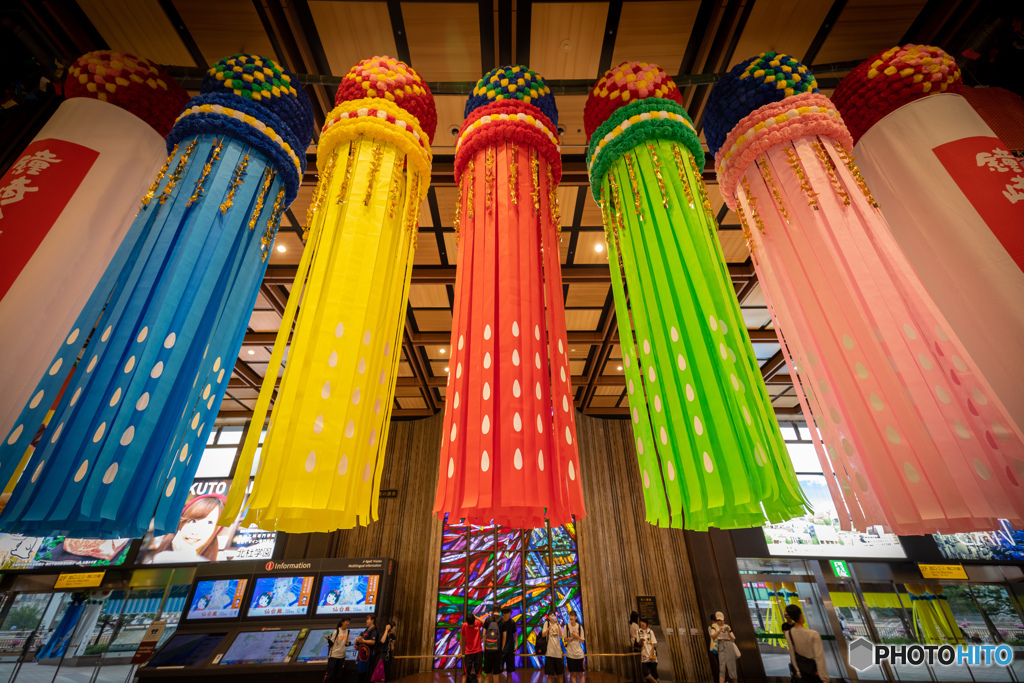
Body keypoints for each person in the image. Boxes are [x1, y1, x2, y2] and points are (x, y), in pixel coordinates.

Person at [143, 494, 225, 563]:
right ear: (180, 524)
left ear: (216, 530)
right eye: (192, 521)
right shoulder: (157, 561)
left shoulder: (217, 570)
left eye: (209, 523)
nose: (196, 531)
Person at [784, 604, 829, 683]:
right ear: (801, 616)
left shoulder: (788, 634)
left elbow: (792, 655)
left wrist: (798, 673)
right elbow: (819, 657)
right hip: (814, 673)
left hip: (801, 674)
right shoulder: (813, 634)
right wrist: (824, 678)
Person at [710, 612, 737, 683]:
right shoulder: (713, 626)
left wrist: (728, 632)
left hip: (729, 645)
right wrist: (719, 631)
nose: (721, 621)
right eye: (719, 620)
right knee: (722, 667)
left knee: (732, 666)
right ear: (716, 620)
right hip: (720, 645)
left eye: (722, 620)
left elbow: (733, 639)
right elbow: (713, 637)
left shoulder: (727, 626)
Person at [325, 617, 351, 683]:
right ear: (342, 622)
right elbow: (331, 642)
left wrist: (348, 644)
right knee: (329, 674)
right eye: (346, 621)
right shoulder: (337, 631)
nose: (348, 623)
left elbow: (347, 642)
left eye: (348, 621)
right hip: (333, 656)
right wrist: (328, 638)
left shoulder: (348, 632)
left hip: (342, 656)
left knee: (339, 676)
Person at [355, 615, 379, 683]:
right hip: (361, 653)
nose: (366, 621)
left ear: (372, 620)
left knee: (364, 672)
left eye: (368, 619)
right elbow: (362, 638)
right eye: (366, 619)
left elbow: (373, 642)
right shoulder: (367, 629)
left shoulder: (374, 630)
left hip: (367, 654)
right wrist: (358, 639)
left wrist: (363, 641)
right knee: (360, 671)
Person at [541, 612, 564, 682]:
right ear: (548, 617)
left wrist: (557, 624)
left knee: (560, 675)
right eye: (550, 615)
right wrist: (548, 629)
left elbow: (562, 635)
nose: (552, 616)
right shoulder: (546, 624)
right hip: (549, 653)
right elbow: (543, 635)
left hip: (558, 653)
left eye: (553, 615)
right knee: (549, 675)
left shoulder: (557, 624)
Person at [461, 614, 484, 683]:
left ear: (474, 621)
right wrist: (461, 652)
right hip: (468, 653)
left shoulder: (477, 623)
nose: (471, 626)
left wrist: (476, 617)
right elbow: (461, 639)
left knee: (479, 674)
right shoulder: (464, 625)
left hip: (478, 652)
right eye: (469, 624)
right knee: (465, 675)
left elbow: (486, 622)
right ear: (467, 622)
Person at [482, 606, 503, 682]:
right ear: (500, 610)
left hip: (488, 649)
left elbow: (484, 634)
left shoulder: (487, 620)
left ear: (492, 610)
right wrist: (502, 647)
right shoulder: (501, 621)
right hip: (497, 650)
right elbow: (504, 636)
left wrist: (485, 647)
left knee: (488, 674)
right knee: (496, 674)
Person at [565, 611, 585, 683]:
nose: (571, 617)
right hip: (570, 654)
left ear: (576, 617)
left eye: (572, 616)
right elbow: (565, 639)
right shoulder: (566, 627)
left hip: (579, 654)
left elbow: (582, 640)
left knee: (580, 674)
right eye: (570, 615)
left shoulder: (579, 627)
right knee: (572, 674)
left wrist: (577, 636)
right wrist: (568, 639)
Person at [637, 616, 658, 683]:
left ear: (646, 623)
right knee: (645, 672)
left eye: (643, 622)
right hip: (644, 656)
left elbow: (653, 643)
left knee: (654, 673)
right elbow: (639, 644)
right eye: (641, 622)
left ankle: (655, 681)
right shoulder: (638, 631)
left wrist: (651, 655)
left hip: (652, 655)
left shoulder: (650, 631)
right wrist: (640, 640)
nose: (642, 623)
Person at [499, 607, 516, 674]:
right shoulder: (500, 622)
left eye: (509, 613)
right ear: (504, 614)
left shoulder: (512, 622)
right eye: (508, 613)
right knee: (499, 671)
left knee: (509, 672)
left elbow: (515, 634)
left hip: (510, 650)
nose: (509, 614)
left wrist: (516, 645)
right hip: (501, 651)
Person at [629, 611, 643, 683]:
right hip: (636, 643)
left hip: (633, 641)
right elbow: (639, 635)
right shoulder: (635, 625)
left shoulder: (631, 625)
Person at [707, 613, 720, 683]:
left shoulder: (711, 627)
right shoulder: (714, 627)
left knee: (720, 663)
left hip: (716, 647)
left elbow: (711, 637)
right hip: (719, 647)